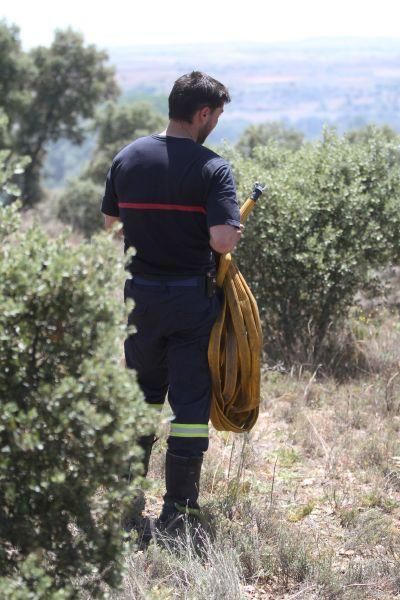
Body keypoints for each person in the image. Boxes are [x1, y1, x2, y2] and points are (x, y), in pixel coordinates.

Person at [101, 71, 242, 532]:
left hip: (138, 300)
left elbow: (110, 225)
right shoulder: (212, 168)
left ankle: (126, 508)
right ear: (203, 113)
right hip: (190, 304)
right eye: (217, 116)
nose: (216, 124)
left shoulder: (127, 158)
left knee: (141, 399)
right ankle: (178, 513)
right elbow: (222, 242)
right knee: (188, 409)